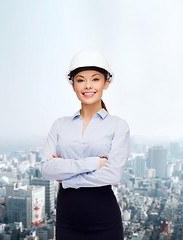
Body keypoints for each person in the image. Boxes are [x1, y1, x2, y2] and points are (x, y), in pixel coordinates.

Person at [40, 49, 130, 240]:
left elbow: (113, 173)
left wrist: (67, 178)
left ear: (106, 83)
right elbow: (47, 169)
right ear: (73, 85)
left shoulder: (118, 125)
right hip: (67, 221)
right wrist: (95, 162)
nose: (88, 85)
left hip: (105, 221)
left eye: (95, 79)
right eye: (80, 80)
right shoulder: (60, 125)